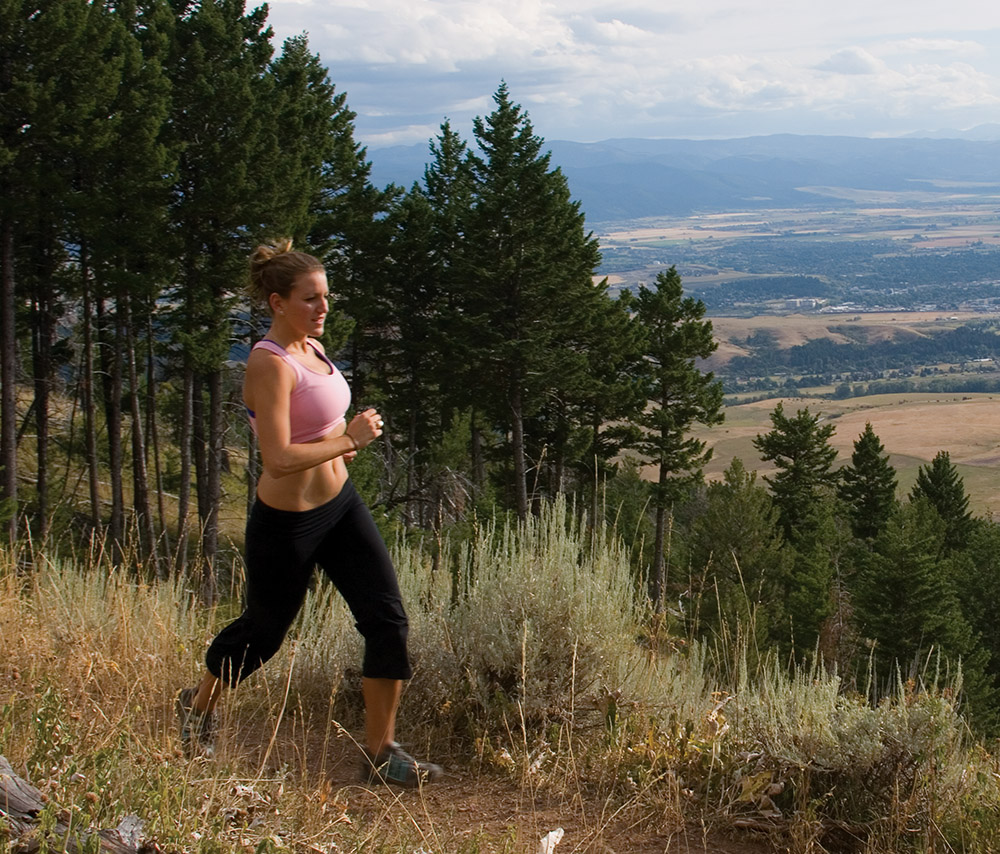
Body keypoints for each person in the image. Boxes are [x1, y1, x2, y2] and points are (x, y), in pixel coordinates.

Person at [176, 239, 441, 788]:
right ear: (277, 302)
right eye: (310, 300)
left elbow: (315, 422)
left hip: (341, 508)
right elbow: (276, 458)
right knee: (263, 632)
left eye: (326, 297)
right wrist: (350, 439)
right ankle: (198, 706)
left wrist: (342, 436)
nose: (323, 309)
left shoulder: (312, 349)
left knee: (387, 620)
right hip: (288, 523)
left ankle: (381, 751)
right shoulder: (268, 362)